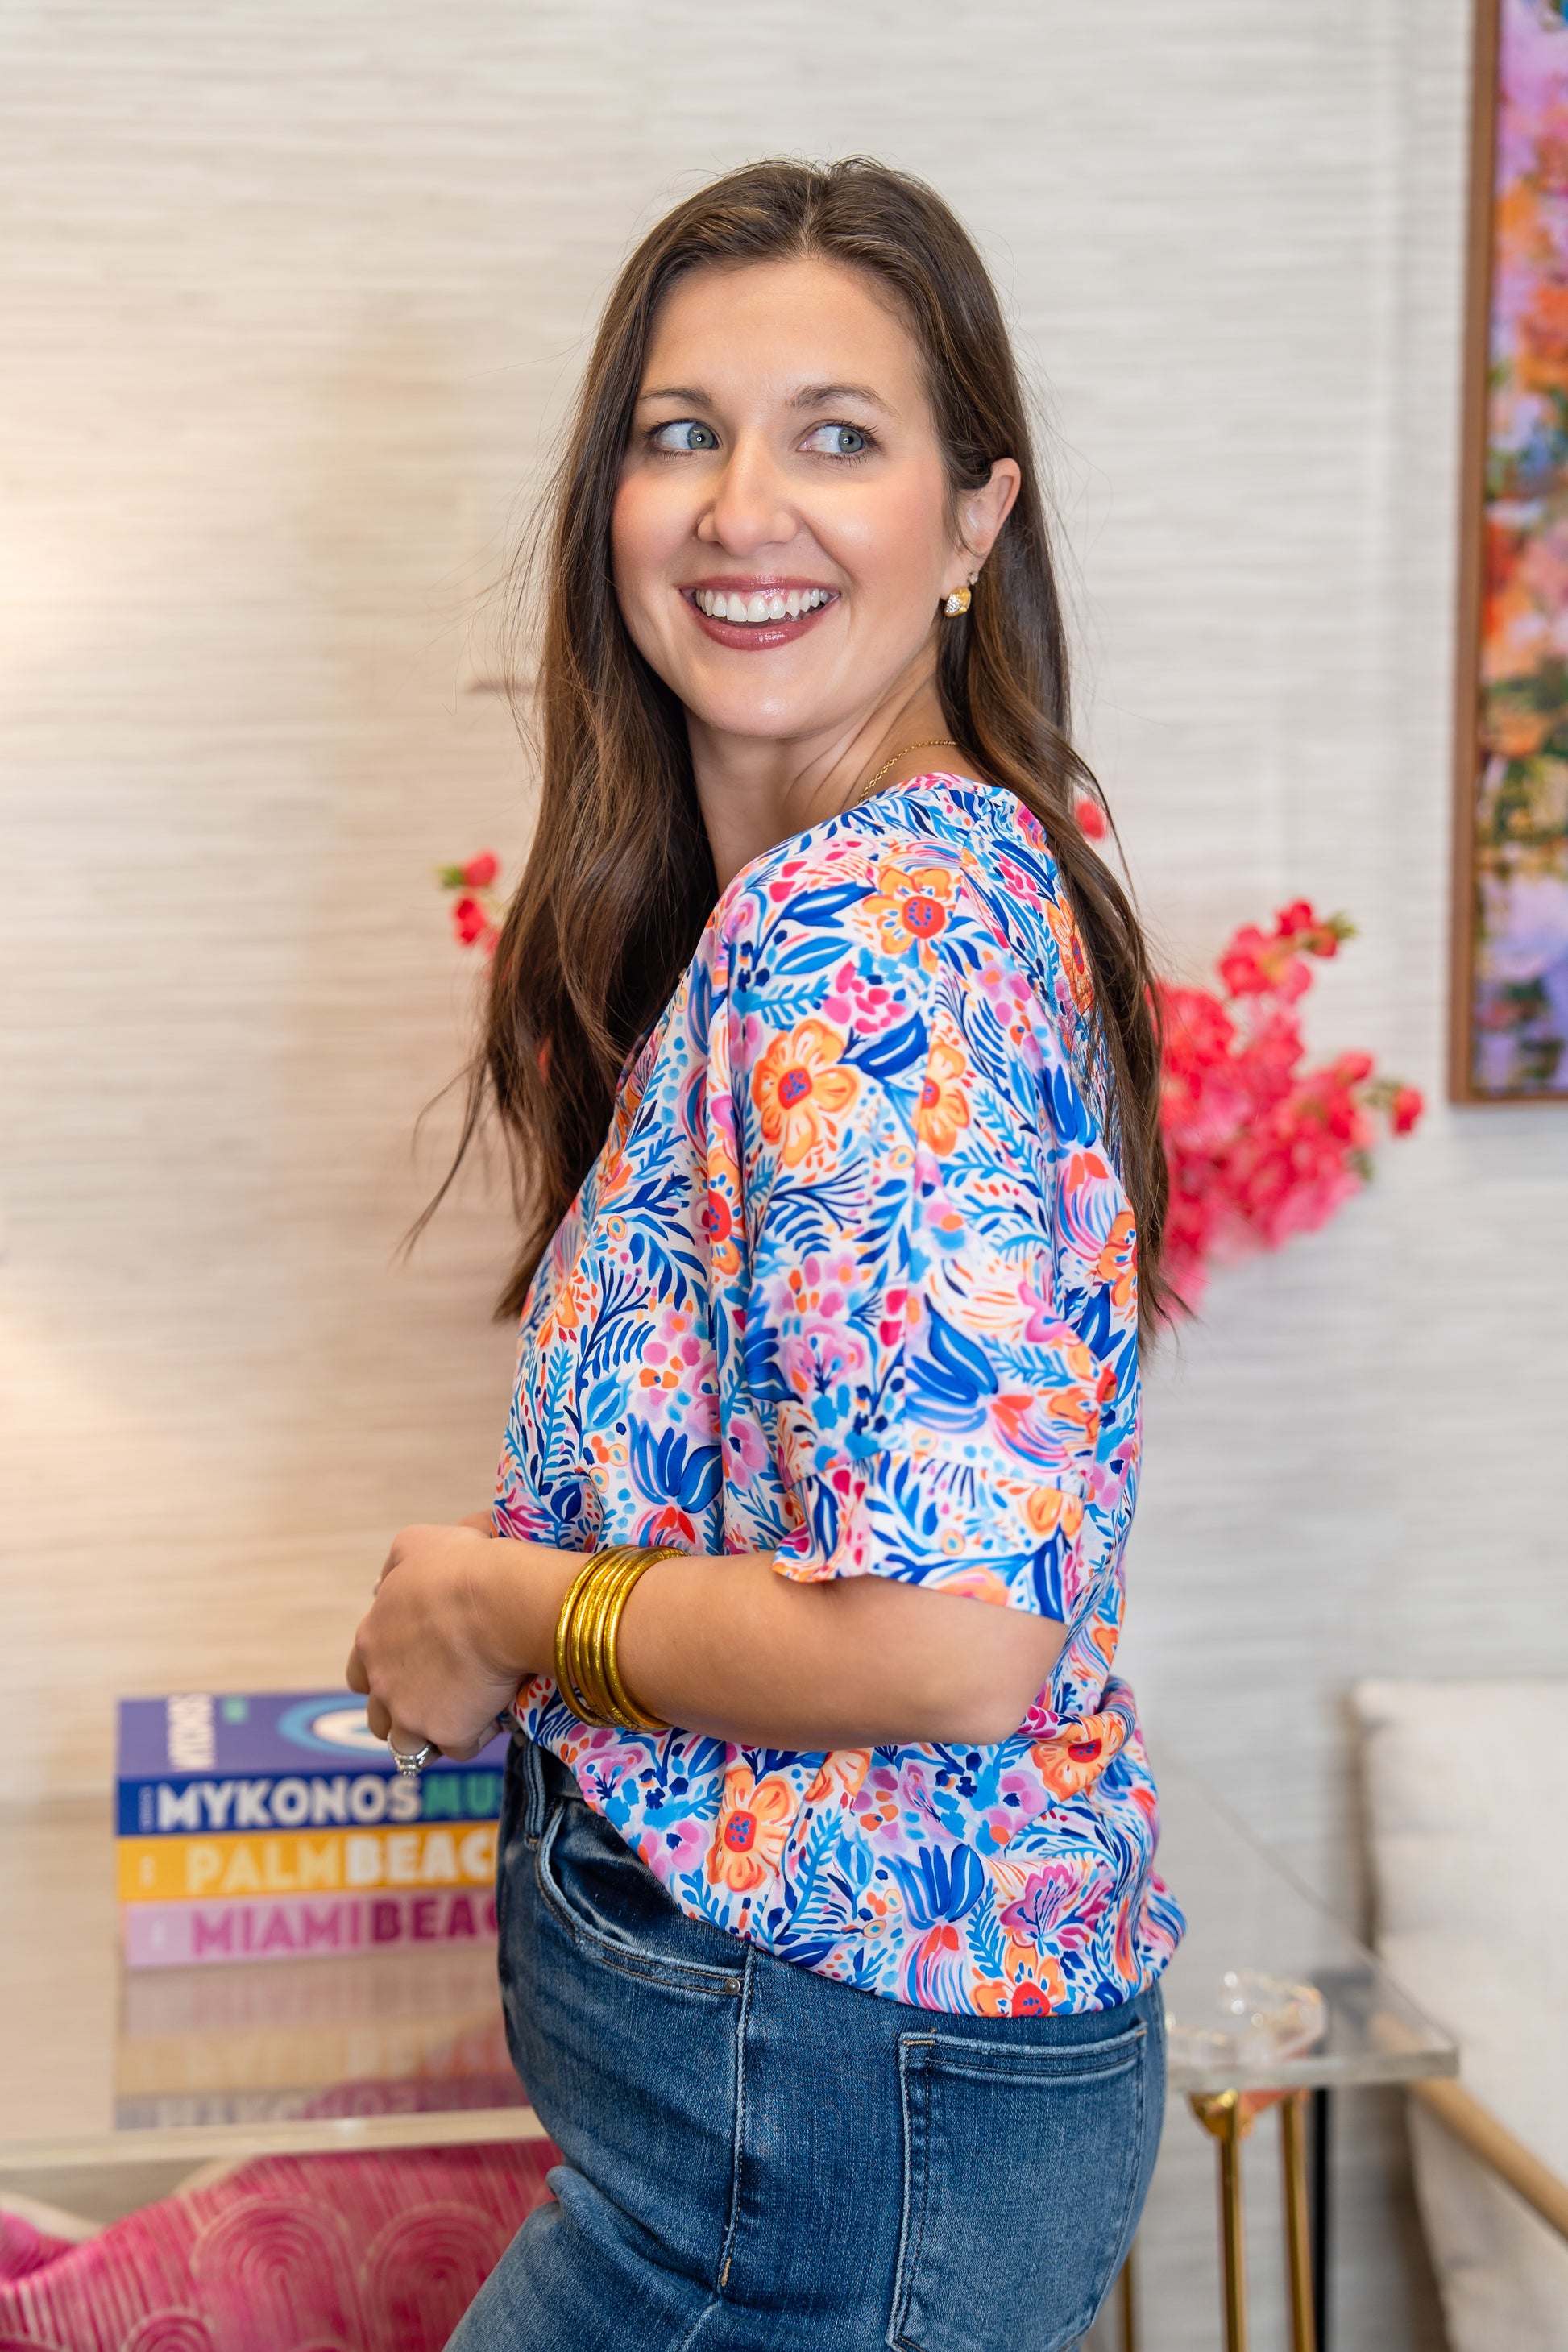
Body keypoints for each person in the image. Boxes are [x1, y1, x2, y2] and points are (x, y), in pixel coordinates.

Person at [348, 157, 1184, 2352]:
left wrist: (500, 1604)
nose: (742, 510)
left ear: (975, 520)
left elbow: (949, 1640)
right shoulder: (876, 894)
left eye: (837, 435)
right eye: (679, 433)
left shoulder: (861, 928)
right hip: (818, 2105)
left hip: (826, 2122)